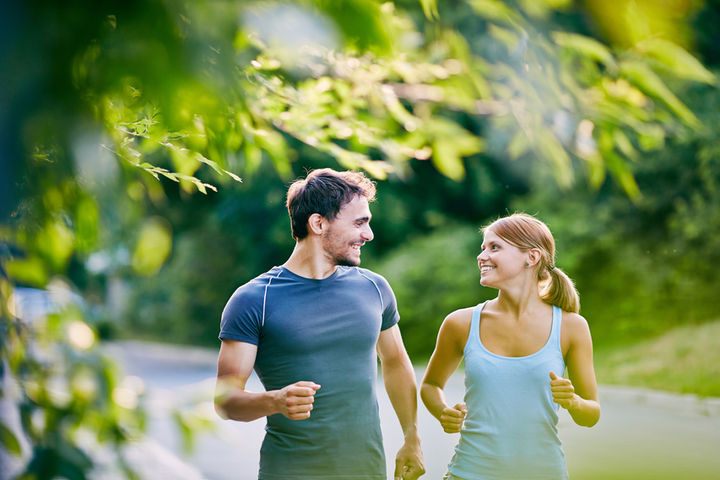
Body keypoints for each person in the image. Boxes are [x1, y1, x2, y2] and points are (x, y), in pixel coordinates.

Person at [214, 168, 424, 480]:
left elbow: (395, 362)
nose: (369, 235)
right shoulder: (254, 300)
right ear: (318, 223)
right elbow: (225, 400)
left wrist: (412, 438)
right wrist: (276, 400)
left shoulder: (375, 287)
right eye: (359, 223)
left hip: (367, 470)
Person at [421, 213, 600, 480]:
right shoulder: (460, 323)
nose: (481, 256)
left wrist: (572, 401)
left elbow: (591, 414)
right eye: (483, 248)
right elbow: (430, 385)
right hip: (468, 473)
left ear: (532, 257)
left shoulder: (571, 327)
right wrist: (444, 412)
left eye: (494, 247)